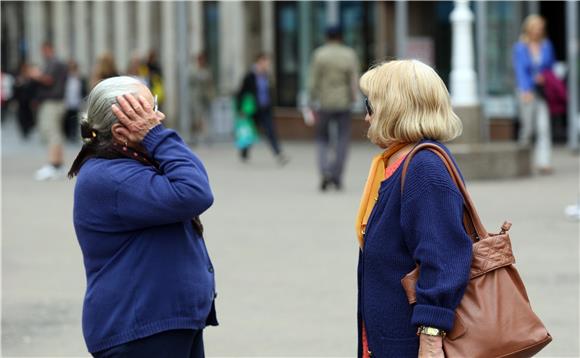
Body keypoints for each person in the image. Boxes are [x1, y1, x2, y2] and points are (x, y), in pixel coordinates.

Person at [68, 76, 217, 357]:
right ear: (121, 132)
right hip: (141, 331)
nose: (158, 119)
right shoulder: (110, 176)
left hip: (162, 324)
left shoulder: (133, 161)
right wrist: (157, 137)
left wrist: (155, 139)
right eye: (148, 113)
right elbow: (195, 191)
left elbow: (193, 179)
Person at [355, 60, 472, 357]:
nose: (366, 116)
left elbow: (443, 259)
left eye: (370, 104)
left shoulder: (424, 168)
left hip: (411, 345)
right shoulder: (399, 163)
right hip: (389, 340)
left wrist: (431, 339)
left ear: (396, 107)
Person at [308, 25, 359, 191]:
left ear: (326, 37)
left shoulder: (319, 54)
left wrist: (311, 99)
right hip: (343, 103)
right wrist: (353, 98)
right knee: (343, 140)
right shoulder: (349, 55)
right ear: (341, 37)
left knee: (322, 139)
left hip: (325, 103)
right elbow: (353, 80)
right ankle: (336, 175)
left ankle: (324, 171)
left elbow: (313, 80)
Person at [512, 15, 556, 175]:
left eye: (541, 27)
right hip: (527, 91)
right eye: (536, 27)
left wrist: (546, 77)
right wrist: (525, 90)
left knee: (544, 127)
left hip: (542, 92)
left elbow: (551, 67)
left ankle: (543, 163)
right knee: (527, 129)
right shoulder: (520, 47)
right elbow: (520, 70)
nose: (539, 30)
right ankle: (522, 162)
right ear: (529, 28)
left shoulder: (547, 45)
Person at [236, 53, 289, 165]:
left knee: (270, 131)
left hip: (265, 108)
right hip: (252, 110)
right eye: (265, 62)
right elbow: (241, 93)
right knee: (249, 132)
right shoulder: (250, 76)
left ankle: (278, 153)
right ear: (259, 62)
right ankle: (244, 151)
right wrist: (240, 109)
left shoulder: (266, 76)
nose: (267, 65)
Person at [29, 42, 69, 180]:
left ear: (47, 49)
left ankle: (54, 165)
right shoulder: (58, 63)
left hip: (52, 102)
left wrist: (36, 75)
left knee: (51, 132)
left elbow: (49, 80)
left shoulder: (54, 63)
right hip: (56, 102)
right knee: (55, 132)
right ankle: (58, 164)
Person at [189, 53, 215, 144]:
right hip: (196, 98)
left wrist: (212, 95)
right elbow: (191, 81)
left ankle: (207, 137)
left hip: (206, 98)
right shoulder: (193, 70)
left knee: (206, 118)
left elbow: (210, 84)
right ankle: (194, 137)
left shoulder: (207, 70)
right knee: (196, 118)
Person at [63, 60, 87, 141]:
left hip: (76, 102)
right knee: (67, 119)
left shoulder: (80, 78)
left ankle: (73, 134)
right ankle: (68, 134)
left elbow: (83, 90)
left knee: (74, 118)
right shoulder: (65, 78)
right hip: (67, 102)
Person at [13, 62, 38, 139]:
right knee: (21, 116)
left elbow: (34, 89)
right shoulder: (18, 78)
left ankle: (28, 129)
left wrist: (34, 99)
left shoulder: (31, 79)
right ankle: (24, 130)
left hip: (29, 101)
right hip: (21, 101)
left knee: (29, 116)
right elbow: (15, 90)